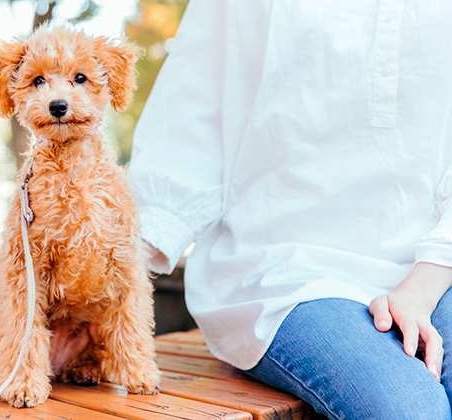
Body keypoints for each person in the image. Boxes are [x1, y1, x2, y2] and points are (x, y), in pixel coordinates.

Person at [127, 1, 452, 419]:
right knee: (408, 411)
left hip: (435, 267)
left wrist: (422, 286)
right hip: (282, 273)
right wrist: (107, 282)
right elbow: (191, 121)